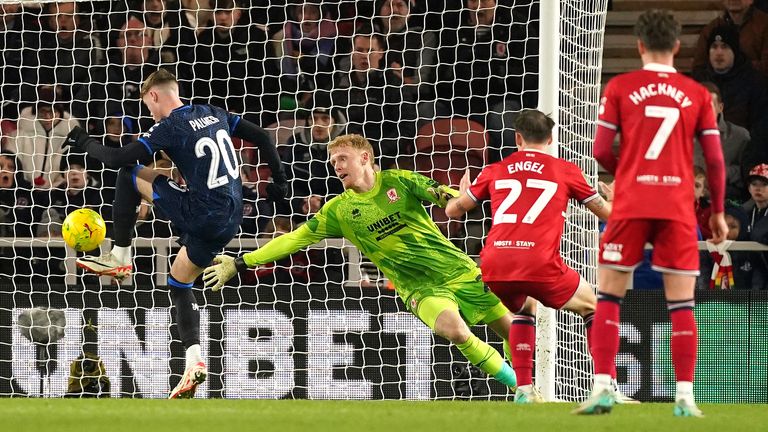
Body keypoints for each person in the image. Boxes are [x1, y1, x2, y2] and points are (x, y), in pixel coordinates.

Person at [202, 133, 520, 393]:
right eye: (333, 162)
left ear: (364, 158)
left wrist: (461, 196)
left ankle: (525, 386)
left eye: (342, 159)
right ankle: (519, 386)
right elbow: (293, 239)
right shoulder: (338, 210)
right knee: (456, 331)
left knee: (511, 331)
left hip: (458, 271)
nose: (336, 166)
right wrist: (242, 262)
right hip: (418, 288)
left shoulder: (401, 181)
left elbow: (446, 197)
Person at [62, 68, 288, 399]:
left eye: (147, 105)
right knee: (179, 281)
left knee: (129, 173)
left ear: (154, 95)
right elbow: (264, 137)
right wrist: (279, 183)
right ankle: (194, 361)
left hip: (201, 212)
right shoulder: (213, 112)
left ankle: (121, 256)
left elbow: (119, 158)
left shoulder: (170, 125)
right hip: (231, 217)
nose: (149, 113)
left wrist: (83, 139)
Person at [575, 10, 728, 417]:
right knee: (681, 304)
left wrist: (630, 173)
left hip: (631, 202)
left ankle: (604, 387)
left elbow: (601, 149)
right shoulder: (695, 93)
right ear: (677, 46)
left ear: (640, 45)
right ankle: (684, 396)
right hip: (677, 205)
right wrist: (717, 211)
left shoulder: (621, 85)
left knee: (608, 296)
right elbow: (713, 160)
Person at [445, 109, 616, 403]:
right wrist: (613, 197)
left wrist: (461, 194)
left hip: (495, 263)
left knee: (525, 308)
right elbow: (607, 214)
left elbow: (452, 211)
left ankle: (523, 390)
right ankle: (604, 387)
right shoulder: (565, 170)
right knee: (592, 307)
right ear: (550, 139)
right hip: (537, 260)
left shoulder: (495, 170)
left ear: (518, 138)